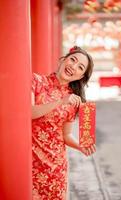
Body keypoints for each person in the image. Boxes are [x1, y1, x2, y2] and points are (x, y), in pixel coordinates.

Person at [32, 46, 96, 200]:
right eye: (72, 60)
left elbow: (65, 135)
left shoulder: (73, 100)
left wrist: (80, 146)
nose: (73, 66)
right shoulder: (36, 81)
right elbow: (30, 113)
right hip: (31, 162)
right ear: (63, 60)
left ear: (81, 76)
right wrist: (61, 101)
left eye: (80, 67)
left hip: (56, 167)